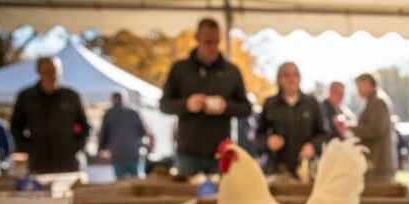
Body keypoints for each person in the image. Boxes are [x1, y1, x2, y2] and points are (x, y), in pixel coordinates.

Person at [160, 18, 250, 177]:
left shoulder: (231, 71)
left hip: (220, 153)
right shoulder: (180, 69)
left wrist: (225, 107)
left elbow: (246, 108)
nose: (213, 47)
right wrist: (187, 105)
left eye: (217, 42)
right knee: (186, 196)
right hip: (188, 153)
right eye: (208, 42)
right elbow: (164, 104)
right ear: (197, 39)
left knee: (223, 199)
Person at [10, 56, 90, 174]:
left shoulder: (72, 96)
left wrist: (76, 147)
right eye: (48, 72)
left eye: (55, 71)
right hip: (38, 162)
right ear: (39, 72)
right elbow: (15, 126)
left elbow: (87, 127)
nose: (52, 75)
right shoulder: (26, 97)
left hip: (68, 162)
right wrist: (27, 148)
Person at [256, 62, 326, 178]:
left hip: (306, 170)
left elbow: (322, 133)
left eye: (296, 75)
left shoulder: (312, 103)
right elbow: (259, 135)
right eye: (287, 75)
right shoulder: (270, 104)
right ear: (279, 79)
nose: (292, 79)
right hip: (277, 169)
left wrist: (312, 146)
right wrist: (268, 141)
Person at [349, 73, 394, 182]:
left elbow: (376, 129)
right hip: (375, 164)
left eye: (359, 85)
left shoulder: (378, 101)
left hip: (378, 165)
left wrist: (352, 127)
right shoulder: (373, 101)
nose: (357, 89)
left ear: (368, 84)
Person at [98, 91, 150, 179]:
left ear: (113, 99)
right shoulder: (133, 112)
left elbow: (103, 134)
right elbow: (143, 132)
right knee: (136, 181)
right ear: (124, 99)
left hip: (117, 153)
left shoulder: (109, 114)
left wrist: (101, 149)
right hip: (133, 152)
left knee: (120, 183)